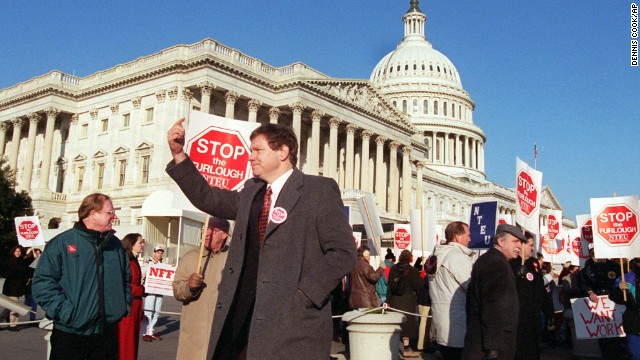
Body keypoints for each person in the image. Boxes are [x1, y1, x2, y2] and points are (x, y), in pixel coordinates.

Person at [166, 119, 356, 359]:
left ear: (283, 152)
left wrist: (306, 295)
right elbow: (208, 199)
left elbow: (343, 252)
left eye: (258, 150)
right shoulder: (251, 191)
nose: (250, 157)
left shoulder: (318, 190)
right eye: (250, 151)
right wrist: (179, 154)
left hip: (293, 324)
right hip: (244, 322)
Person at [32, 193, 131, 360]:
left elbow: (125, 278)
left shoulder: (115, 245)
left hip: (106, 332)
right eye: (110, 212)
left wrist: (122, 306)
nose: (115, 216)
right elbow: (43, 283)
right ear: (93, 213)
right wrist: (67, 313)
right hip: (71, 332)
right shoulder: (62, 243)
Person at [463, 223, 525, 360]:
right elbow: (492, 306)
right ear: (500, 241)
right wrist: (493, 348)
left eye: (520, 242)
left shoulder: (495, 261)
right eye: (515, 241)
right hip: (493, 345)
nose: (519, 246)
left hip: (490, 341)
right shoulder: (495, 263)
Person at [173, 216, 230, 360]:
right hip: (194, 334)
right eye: (207, 228)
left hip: (222, 333)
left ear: (225, 235)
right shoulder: (190, 257)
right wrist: (189, 287)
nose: (208, 233)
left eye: (214, 230)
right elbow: (177, 290)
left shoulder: (233, 259)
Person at [429, 221, 476, 360]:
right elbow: (473, 286)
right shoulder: (457, 257)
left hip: (442, 318)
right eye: (467, 235)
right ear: (457, 237)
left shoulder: (438, 255)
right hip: (456, 320)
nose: (470, 239)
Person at [510, 231, 555, 360]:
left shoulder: (534, 263)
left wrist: (549, 313)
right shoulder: (513, 262)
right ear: (522, 245)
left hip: (534, 314)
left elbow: (541, 289)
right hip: (519, 315)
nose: (532, 248)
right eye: (530, 245)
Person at [580, 242, 623, 359]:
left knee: (617, 335)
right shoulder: (587, 268)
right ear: (591, 253)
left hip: (613, 302)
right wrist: (590, 292)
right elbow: (584, 284)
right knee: (604, 336)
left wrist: (621, 287)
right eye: (594, 251)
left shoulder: (613, 265)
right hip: (599, 304)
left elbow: (620, 278)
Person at [387, 249, 425, 358]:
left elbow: (390, 286)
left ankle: (392, 348)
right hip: (407, 300)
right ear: (410, 258)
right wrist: (421, 276)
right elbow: (418, 286)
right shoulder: (412, 271)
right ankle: (407, 349)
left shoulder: (393, 269)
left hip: (394, 300)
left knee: (396, 324)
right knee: (407, 326)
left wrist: (388, 301)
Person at [117, 233, 145, 360]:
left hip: (135, 306)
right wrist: (141, 289)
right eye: (140, 242)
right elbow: (123, 285)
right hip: (128, 306)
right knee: (126, 342)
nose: (143, 245)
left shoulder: (133, 259)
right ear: (131, 244)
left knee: (132, 339)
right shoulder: (127, 260)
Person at [611, 258, 640, 360]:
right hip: (634, 323)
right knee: (635, 354)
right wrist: (618, 289)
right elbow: (616, 298)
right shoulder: (626, 278)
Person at [0, 245, 30, 331]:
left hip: (18, 287)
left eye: (19, 251)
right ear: (13, 252)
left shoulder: (23, 262)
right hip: (10, 287)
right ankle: (13, 325)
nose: (18, 253)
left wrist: (25, 280)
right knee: (16, 307)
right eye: (16, 251)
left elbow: (26, 273)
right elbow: (5, 273)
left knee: (9, 308)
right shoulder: (9, 262)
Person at [143, 244, 167, 342]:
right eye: (158, 252)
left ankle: (151, 332)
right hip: (150, 291)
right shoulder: (149, 262)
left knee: (156, 312)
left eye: (161, 253)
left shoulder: (165, 264)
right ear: (154, 253)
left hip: (160, 292)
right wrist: (150, 265)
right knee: (148, 312)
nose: (160, 254)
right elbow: (143, 273)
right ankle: (145, 333)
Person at [350, 245, 384, 309]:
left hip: (354, 300)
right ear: (364, 254)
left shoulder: (353, 265)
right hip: (365, 301)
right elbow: (374, 277)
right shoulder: (365, 266)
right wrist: (381, 267)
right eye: (368, 255)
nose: (369, 257)